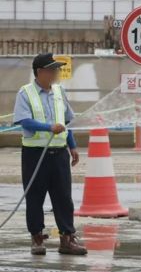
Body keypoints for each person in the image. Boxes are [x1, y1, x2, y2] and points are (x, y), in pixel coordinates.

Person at [13, 53, 87, 255]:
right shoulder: (25, 93)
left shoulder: (59, 91)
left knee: (63, 198)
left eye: (57, 69)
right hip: (35, 154)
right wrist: (48, 127)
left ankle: (67, 238)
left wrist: (72, 146)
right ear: (40, 72)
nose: (56, 73)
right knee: (35, 197)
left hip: (59, 154)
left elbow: (67, 121)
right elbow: (24, 121)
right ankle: (37, 238)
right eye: (53, 69)